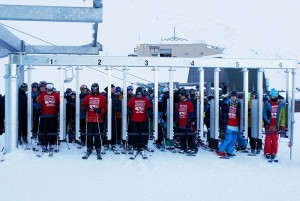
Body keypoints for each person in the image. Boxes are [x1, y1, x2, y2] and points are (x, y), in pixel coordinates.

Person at [81, 83, 107, 159]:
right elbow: (83, 105)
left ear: (98, 88)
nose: (94, 90)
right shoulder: (88, 96)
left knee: (97, 135)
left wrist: (100, 110)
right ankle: (89, 148)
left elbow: (105, 107)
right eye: (93, 89)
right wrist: (85, 108)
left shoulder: (101, 96)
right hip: (89, 118)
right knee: (89, 135)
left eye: (96, 89)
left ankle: (98, 148)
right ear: (91, 89)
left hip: (98, 119)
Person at [127, 86, 152, 157]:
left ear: (142, 94)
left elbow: (149, 107)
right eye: (138, 94)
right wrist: (129, 111)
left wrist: (150, 112)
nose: (139, 96)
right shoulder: (133, 99)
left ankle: (142, 146)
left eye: (140, 94)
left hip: (143, 120)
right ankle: (135, 146)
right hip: (134, 119)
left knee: (142, 133)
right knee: (135, 134)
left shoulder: (145, 99)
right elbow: (128, 106)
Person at [36, 83, 60, 154]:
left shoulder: (55, 94)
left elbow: (58, 102)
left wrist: (58, 107)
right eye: (48, 89)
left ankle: (52, 142)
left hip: (53, 116)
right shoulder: (42, 94)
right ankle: (44, 143)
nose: (49, 91)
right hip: (44, 116)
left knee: (52, 129)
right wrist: (39, 108)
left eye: (50, 90)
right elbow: (39, 102)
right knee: (43, 130)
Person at [262, 88, 286, 159]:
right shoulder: (267, 103)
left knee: (275, 140)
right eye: (272, 97)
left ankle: (274, 152)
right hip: (269, 125)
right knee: (268, 140)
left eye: (275, 96)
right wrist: (266, 123)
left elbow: (282, 116)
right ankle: (267, 152)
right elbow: (264, 114)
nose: (273, 98)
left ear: (277, 96)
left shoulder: (281, 104)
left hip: (276, 125)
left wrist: (282, 125)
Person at [216, 90, 241, 157]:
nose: (234, 98)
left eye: (235, 96)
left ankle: (229, 151)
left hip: (235, 124)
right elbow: (221, 104)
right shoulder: (226, 103)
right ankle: (220, 150)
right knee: (228, 139)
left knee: (233, 140)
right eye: (232, 96)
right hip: (228, 124)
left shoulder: (238, 104)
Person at [175, 89, 197, 154]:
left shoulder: (189, 103)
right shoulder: (180, 103)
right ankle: (183, 148)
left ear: (186, 96)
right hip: (181, 122)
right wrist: (177, 120)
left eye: (182, 95)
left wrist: (190, 120)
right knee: (182, 137)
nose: (181, 96)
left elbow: (191, 113)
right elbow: (177, 112)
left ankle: (193, 148)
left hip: (187, 123)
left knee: (190, 136)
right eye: (180, 95)